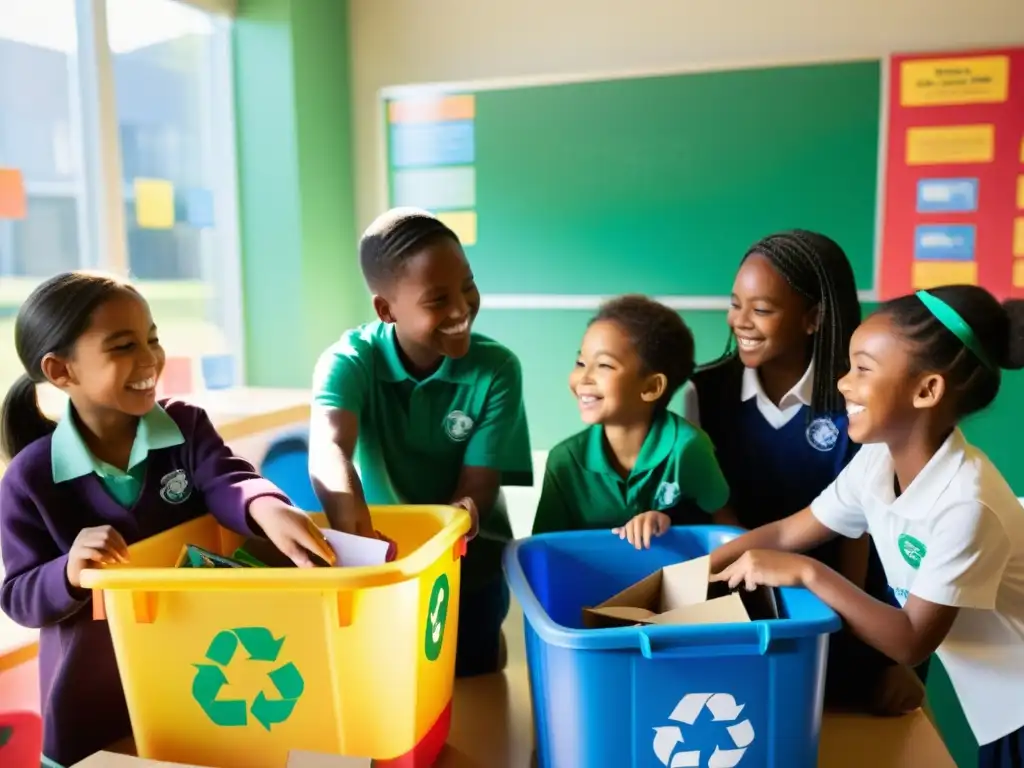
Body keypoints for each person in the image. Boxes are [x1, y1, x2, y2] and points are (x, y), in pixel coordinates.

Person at [0, 271, 334, 767]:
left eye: (152, 338)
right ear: (61, 371)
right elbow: (19, 596)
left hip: (201, 680)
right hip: (95, 707)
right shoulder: (31, 477)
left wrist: (266, 507)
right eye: (123, 346)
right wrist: (69, 570)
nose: (150, 358)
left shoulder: (185, 426)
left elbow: (228, 478)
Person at [710, 285, 1024, 766]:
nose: (842, 384)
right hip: (996, 700)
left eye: (863, 369)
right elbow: (787, 533)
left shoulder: (967, 504)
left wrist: (807, 573)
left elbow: (911, 639)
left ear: (927, 390)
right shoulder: (876, 461)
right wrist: (691, 575)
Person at [682, 230, 922, 714]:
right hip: (741, 603)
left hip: (850, 615)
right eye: (735, 304)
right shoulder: (701, 394)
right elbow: (711, 511)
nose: (740, 322)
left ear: (813, 318)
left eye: (762, 309)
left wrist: (899, 663)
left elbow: (880, 538)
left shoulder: (860, 400)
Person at [309, 208, 533, 678]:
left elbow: (479, 482)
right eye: (437, 299)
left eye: (467, 286)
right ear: (386, 309)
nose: (460, 309)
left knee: (472, 680)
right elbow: (329, 450)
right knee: (390, 683)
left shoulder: (496, 369)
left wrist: (455, 528)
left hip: (469, 567)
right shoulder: (348, 362)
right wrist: (360, 541)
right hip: (387, 565)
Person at [531, 295, 729, 544]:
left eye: (603, 365)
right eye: (581, 362)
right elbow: (543, 550)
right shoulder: (564, 462)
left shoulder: (689, 448)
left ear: (651, 387)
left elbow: (721, 526)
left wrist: (667, 520)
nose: (584, 378)